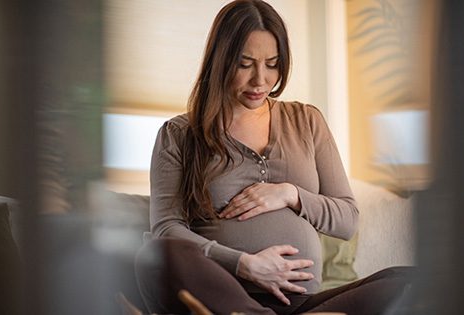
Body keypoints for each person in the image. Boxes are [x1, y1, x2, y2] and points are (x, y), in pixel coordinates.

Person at [135, 1, 412, 314]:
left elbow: (347, 221)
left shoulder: (307, 121)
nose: (260, 80)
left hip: (303, 304)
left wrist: (291, 194)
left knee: (409, 281)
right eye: (245, 63)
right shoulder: (180, 133)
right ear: (221, 60)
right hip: (223, 297)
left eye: (272, 64)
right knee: (158, 254)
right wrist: (244, 265)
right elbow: (167, 228)